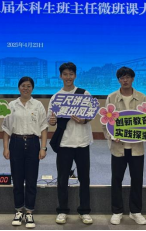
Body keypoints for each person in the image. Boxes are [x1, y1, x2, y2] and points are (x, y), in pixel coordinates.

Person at [48, 62, 93, 225]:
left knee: (84, 178)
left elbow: (91, 114)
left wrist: (84, 119)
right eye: (65, 74)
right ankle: (62, 210)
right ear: (61, 76)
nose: (68, 77)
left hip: (82, 142)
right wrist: (52, 121)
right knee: (62, 179)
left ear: (75, 75)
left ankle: (84, 211)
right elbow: (51, 119)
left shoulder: (84, 93)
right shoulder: (56, 97)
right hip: (64, 143)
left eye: (71, 74)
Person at [104, 67, 146, 227]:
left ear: (133, 79)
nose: (125, 80)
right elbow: (106, 122)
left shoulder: (142, 97)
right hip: (118, 148)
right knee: (116, 179)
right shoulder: (112, 97)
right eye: (122, 78)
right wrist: (111, 136)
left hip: (137, 148)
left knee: (137, 179)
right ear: (118, 80)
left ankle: (135, 211)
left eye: (128, 77)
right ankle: (117, 211)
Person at [2, 77, 49, 229]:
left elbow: (44, 128)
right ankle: (18, 211)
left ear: (32, 88)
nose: (26, 88)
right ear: (18, 87)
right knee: (17, 179)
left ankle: (29, 212)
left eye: (29, 86)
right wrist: (6, 147)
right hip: (15, 143)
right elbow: (6, 129)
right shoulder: (12, 105)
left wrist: (43, 148)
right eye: (23, 85)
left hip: (33, 143)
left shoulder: (38, 105)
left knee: (31, 179)